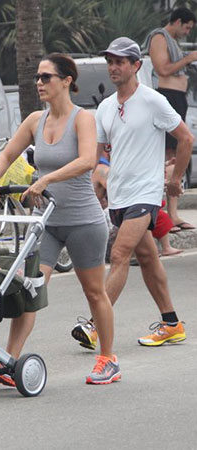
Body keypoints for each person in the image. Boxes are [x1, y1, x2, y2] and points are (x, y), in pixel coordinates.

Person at [0, 53, 118, 385]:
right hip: (47, 223)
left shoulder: (83, 118)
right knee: (30, 288)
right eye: (37, 77)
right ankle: (8, 360)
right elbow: (7, 153)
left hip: (84, 221)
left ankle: (108, 359)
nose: (39, 83)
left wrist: (46, 179)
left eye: (46, 77)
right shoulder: (34, 121)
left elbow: (88, 160)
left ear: (66, 81)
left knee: (94, 292)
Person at [80, 37, 193, 351]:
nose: (114, 67)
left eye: (120, 62)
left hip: (145, 194)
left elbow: (185, 139)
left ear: (136, 66)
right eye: (111, 61)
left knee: (119, 254)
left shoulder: (152, 100)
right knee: (147, 256)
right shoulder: (105, 107)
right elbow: (102, 156)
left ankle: (93, 326)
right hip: (119, 196)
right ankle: (171, 324)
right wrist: (99, 186)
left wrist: (174, 182)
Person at [147, 7, 197, 231]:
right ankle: (161, 213)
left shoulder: (173, 41)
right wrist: (189, 58)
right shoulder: (159, 37)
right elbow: (163, 69)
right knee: (167, 157)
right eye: (186, 27)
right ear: (177, 21)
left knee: (177, 156)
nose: (187, 32)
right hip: (167, 97)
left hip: (178, 99)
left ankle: (173, 214)